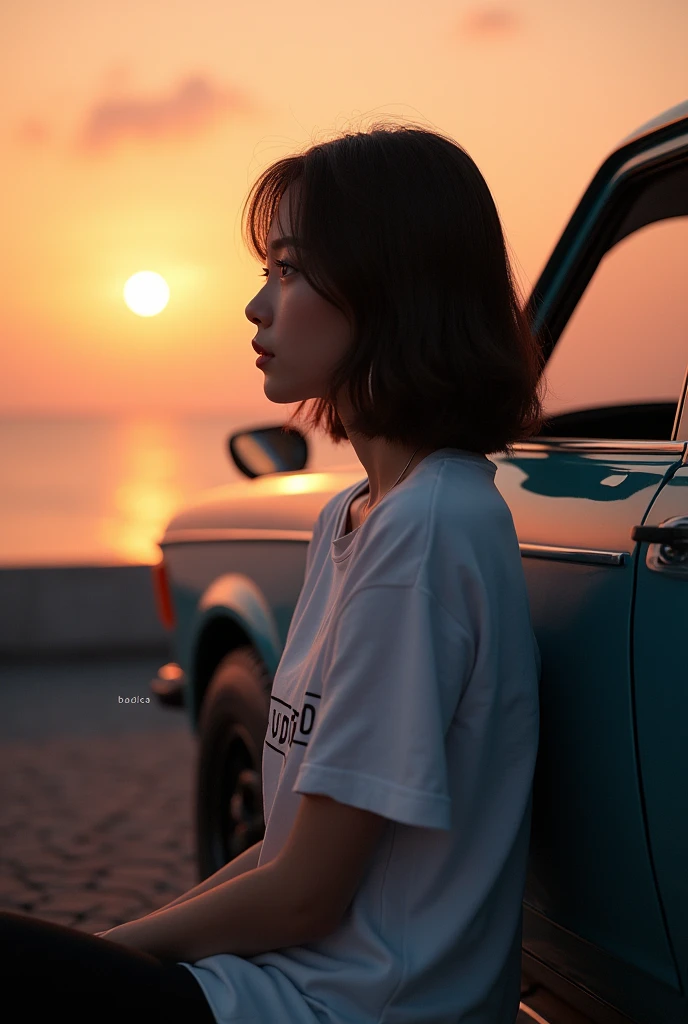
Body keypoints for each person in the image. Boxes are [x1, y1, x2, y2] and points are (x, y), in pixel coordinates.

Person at [0, 119, 545, 1022]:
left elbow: (305, 896)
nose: (258, 307)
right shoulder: (358, 514)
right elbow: (288, 851)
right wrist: (101, 957)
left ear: (389, 291)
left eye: (287, 272)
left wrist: (96, 966)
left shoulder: (429, 529)